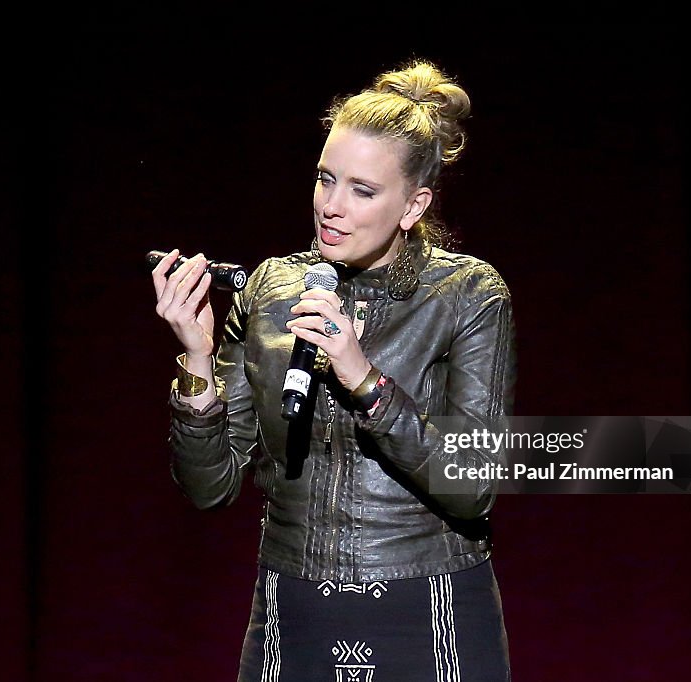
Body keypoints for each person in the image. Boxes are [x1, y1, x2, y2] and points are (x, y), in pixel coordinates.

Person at [152, 60, 515, 682]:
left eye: (362, 190)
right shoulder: (271, 289)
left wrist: (364, 379)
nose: (332, 207)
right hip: (294, 608)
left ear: (413, 204)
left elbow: (474, 484)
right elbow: (210, 489)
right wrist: (198, 360)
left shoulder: (467, 294)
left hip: (427, 608)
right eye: (326, 180)